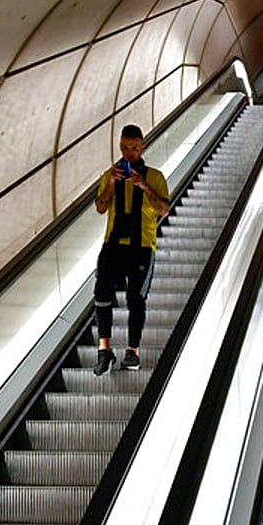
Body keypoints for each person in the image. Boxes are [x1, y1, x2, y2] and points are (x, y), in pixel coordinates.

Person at [93, 123, 170, 374]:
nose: (130, 154)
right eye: (126, 148)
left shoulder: (155, 176)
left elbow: (164, 210)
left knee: (136, 298)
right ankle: (104, 351)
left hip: (142, 247)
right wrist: (112, 184)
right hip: (113, 244)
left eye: (135, 148)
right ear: (120, 147)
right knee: (102, 294)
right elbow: (101, 207)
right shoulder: (109, 175)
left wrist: (144, 186)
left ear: (143, 146)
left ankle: (132, 352)